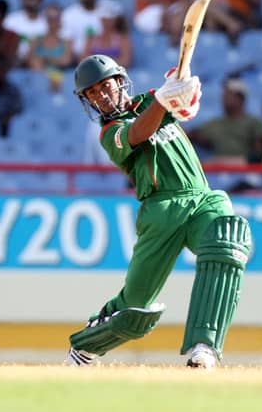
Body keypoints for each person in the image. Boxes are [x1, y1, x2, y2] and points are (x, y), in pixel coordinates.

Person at [67, 54, 252, 368]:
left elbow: (187, 107)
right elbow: (137, 133)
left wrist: (183, 88)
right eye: (92, 93)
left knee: (227, 241)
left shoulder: (153, 100)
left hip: (201, 197)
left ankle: (203, 347)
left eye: (105, 85)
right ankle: (86, 346)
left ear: (120, 81)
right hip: (160, 210)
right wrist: (164, 100)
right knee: (135, 311)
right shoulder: (109, 132)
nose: (101, 94)